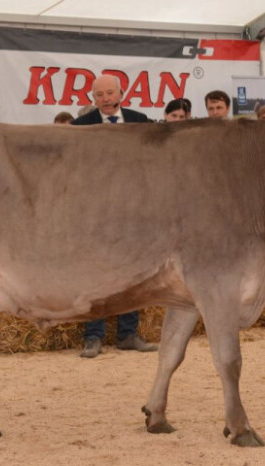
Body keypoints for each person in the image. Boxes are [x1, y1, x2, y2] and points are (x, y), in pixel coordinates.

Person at [71, 75, 156, 358]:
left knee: (134, 271)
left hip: (135, 210)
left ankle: (128, 334)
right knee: (95, 271)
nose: (106, 99)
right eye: (100, 95)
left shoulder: (140, 120)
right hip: (94, 211)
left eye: (110, 93)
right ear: (92, 99)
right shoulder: (79, 126)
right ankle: (93, 336)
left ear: (122, 93)